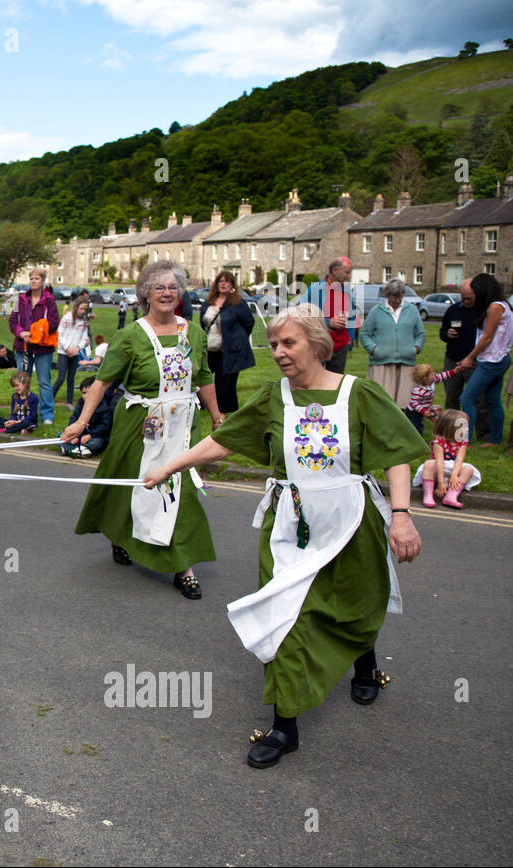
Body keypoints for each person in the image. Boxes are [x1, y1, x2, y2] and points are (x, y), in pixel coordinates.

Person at [141, 303, 426, 769]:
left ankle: (364, 661)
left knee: (355, 601)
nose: (278, 353)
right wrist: (168, 467)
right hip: (291, 523)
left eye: (288, 343)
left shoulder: (359, 393)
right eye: (273, 344)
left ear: (317, 345)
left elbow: (396, 452)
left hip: (350, 518)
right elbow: (225, 438)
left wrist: (401, 515)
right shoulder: (276, 397)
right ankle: (284, 727)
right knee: (287, 618)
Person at [62, 261, 222, 600]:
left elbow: (204, 377)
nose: (166, 293)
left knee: (178, 493)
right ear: (146, 293)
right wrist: (81, 422)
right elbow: (103, 383)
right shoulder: (130, 336)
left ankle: (183, 567)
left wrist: (217, 417)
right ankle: (121, 535)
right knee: (132, 485)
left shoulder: (193, 333)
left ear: (180, 292)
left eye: (172, 287)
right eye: (159, 287)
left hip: (181, 429)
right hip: (139, 425)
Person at [458, 274, 513, 447]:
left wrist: (469, 358)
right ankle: (495, 440)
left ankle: (464, 441)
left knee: (467, 398)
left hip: (491, 361)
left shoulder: (495, 307)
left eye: (474, 290)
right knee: (493, 399)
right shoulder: (504, 305)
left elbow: (487, 337)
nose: (473, 293)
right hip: (499, 359)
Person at [360, 278, 425, 415]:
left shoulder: (412, 310)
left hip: (406, 362)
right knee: (381, 402)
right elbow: (365, 334)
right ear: (387, 295)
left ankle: (400, 431)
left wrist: (415, 349)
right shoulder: (376, 311)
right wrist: (374, 350)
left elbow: (420, 334)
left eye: (400, 296)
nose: (396, 300)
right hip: (381, 363)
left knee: (403, 403)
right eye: (393, 296)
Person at [198, 270, 254, 415]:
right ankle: (202, 404)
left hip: (229, 351)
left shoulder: (238, 303)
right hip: (210, 349)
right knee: (201, 378)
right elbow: (203, 323)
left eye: (226, 281)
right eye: (220, 281)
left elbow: (249, 323)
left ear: (232, 284)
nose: (223, 284)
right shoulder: (208, 302)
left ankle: (224, 412)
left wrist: (236, 339)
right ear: (216, 284)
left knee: (225, 385)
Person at [9, 269, 60, 424]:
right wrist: (21, 333)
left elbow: (54, 323)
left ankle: (47, 415)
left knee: (44, 381)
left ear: (43, 281)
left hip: (43, 348)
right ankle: (21, 412)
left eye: (36, 278)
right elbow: (12, 321)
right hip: (22, 346)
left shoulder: (49, 300)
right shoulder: (21, 299)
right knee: (22, 380)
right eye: (31, 278)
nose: (33, 281)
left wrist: (36, 332)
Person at [437, 280, 486, 431]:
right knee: (452, 397)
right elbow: (442, 332)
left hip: (475, 361)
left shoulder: (483, 312)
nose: (466, 301)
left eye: (469, 298)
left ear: (476, 295)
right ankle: (452, 430)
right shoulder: (453, 310)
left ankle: (482, 432)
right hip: (453, 359)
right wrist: (447, 334)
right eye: (463, 298)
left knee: (479, 398)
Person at [302, 256, 358, 374]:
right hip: (319, 345)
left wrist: (350, 338)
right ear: (335, 271)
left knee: (335, 384)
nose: (349, 276)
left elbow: (352, 316)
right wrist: (328, 322)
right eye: (347, 272)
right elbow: (303, 314)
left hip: (341, 346)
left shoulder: (346, 291)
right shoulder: (315, 290)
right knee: (315, 381)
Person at [415, 408, 479, 509]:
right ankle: (428, 495)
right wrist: (440, 482)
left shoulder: (462, 442)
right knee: (429, 464)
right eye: (464, 427)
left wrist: (454, 475)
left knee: (468, 469)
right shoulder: (439, 441)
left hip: (452, 470)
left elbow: (459, 459)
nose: (467, 430)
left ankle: (451, 496)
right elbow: (439, 462)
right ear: (452, 428)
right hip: (438, 471)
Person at [59, 375, 117, 457]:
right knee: (62, 435)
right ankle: (73, 449)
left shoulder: (104, 406)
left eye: (89, 393)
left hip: (95, 436)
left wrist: (90, 436)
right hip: (81, 434)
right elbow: (73, 419)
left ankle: (80, 449)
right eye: (83, 393)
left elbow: (104, 427)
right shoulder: (80, 404)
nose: (86, 396)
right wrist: (72, 435)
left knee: (97, 443)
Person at [54, 297, 91, 409]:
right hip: (64, 352)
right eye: (81, 309)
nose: (83, 311)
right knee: (61, 378)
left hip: (74, 353)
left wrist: (78, 348)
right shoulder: (67, 318)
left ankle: (69, 403)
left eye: (85, 309)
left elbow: (84, 337)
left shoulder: (84, 322)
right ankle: (50, 399)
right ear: (76, 307)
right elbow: (59, 334)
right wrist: (67, 348)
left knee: (71, 378)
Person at [404, 363, 458, 434]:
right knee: (415, 427)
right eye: (431, 373)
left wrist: (454, 371)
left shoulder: (432, 381)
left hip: (423, 409)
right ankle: (415, 439)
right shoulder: (418, 390)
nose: (434, 374)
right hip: (413, 412)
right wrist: (424, 411)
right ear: (425, 378)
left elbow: (442, 376)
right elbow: (414, 403)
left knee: (420, 424)